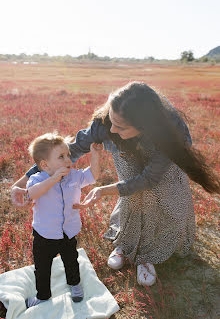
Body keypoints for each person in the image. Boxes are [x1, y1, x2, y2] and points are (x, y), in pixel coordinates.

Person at [11, 82, 220, 287]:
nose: (111, 128)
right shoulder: (105, 123)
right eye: (111, 120)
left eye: (119, 126)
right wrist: (21, 183)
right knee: (134, 197)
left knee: (159, 196)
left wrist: (104, 190)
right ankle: (127, 244)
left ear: (144, 126)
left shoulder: (171, 130)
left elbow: (149, 179)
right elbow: (73, 150)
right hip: (126, 149)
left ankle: (146, 255)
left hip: (163, 155)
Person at [23, 132, 102, 308]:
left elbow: (92, 176)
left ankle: (74, 284)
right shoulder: (38, 179)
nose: (68, 160)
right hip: (45, 234)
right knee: (42, 268)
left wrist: (95, 156)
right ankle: (43, 295)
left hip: (68, 231)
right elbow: (32, 193)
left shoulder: (74, 175)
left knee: (71, 260)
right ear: (44, 164)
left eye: (68, 155)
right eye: (61, 157)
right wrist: (53, 179)